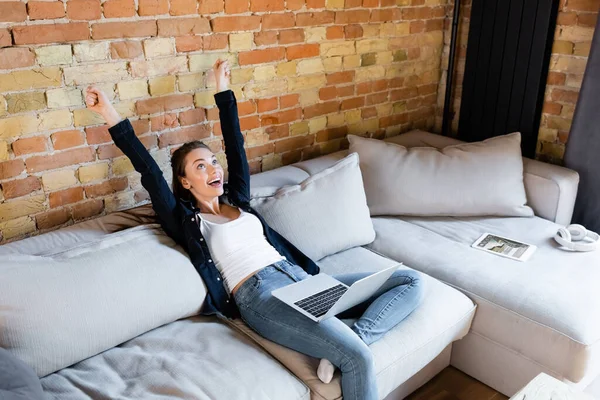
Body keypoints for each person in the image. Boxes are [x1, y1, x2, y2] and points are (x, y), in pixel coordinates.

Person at [85, 59, 424, 400]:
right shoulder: (185, 220)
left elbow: (235, 144)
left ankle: (357, 336)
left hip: (301, 281)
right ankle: (349, 347)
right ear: (185, 182)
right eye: (200, 167)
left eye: (213, 162)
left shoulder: (239, 199)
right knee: (358, 359)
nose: (213, 169)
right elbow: (149, 172)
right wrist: (109, 113)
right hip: (260, 296)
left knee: (409, 280)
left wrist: (222, 87)